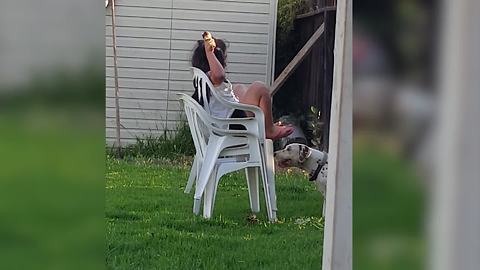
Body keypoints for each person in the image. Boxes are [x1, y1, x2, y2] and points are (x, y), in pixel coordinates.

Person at [191, 32, 294, 140]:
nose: (225, 62)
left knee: (239, 88)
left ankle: (265, 124)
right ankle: (269, 130)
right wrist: (210, 52)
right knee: (260, 88)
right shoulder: (211, 76)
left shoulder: (201, 79)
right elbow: (219, 75)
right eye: (223, 57)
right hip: (232, 125)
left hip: (227, 121)